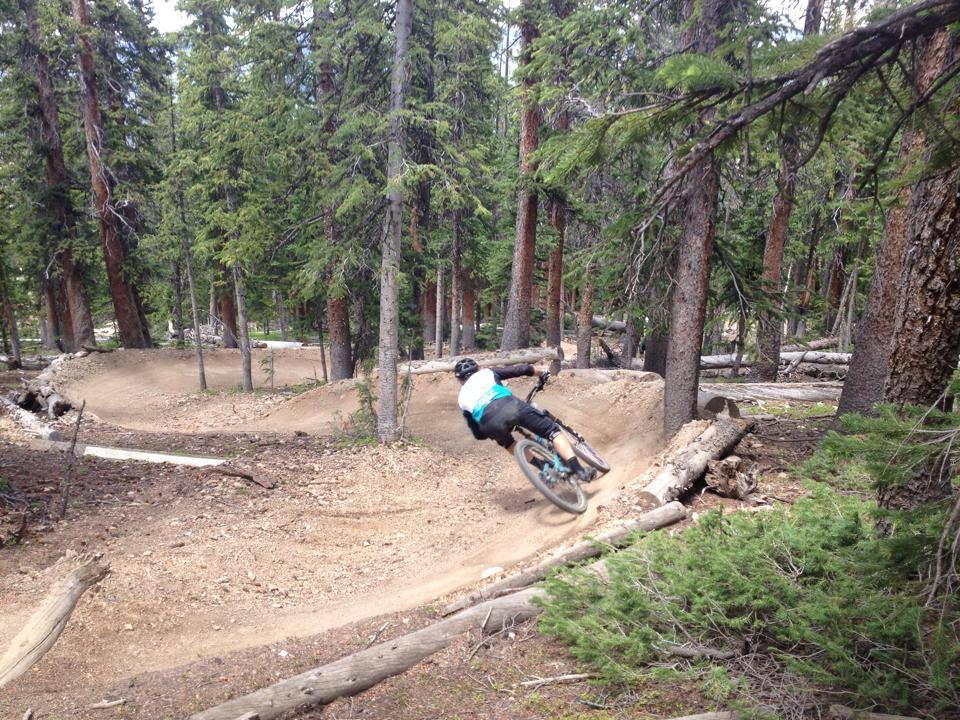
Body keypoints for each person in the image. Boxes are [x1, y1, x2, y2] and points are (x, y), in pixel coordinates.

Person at [454, 358, 595, 483]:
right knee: (552, 432)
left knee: (509, 444)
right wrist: (542, 372)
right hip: (511, 407)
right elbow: (519, 370)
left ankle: (543, 467)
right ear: (478, 368)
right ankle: (579, 471)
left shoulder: (461, 399)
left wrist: (489, 433)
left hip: (490, 424)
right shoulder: (486, 373)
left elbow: (478, 434)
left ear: (460, 380)